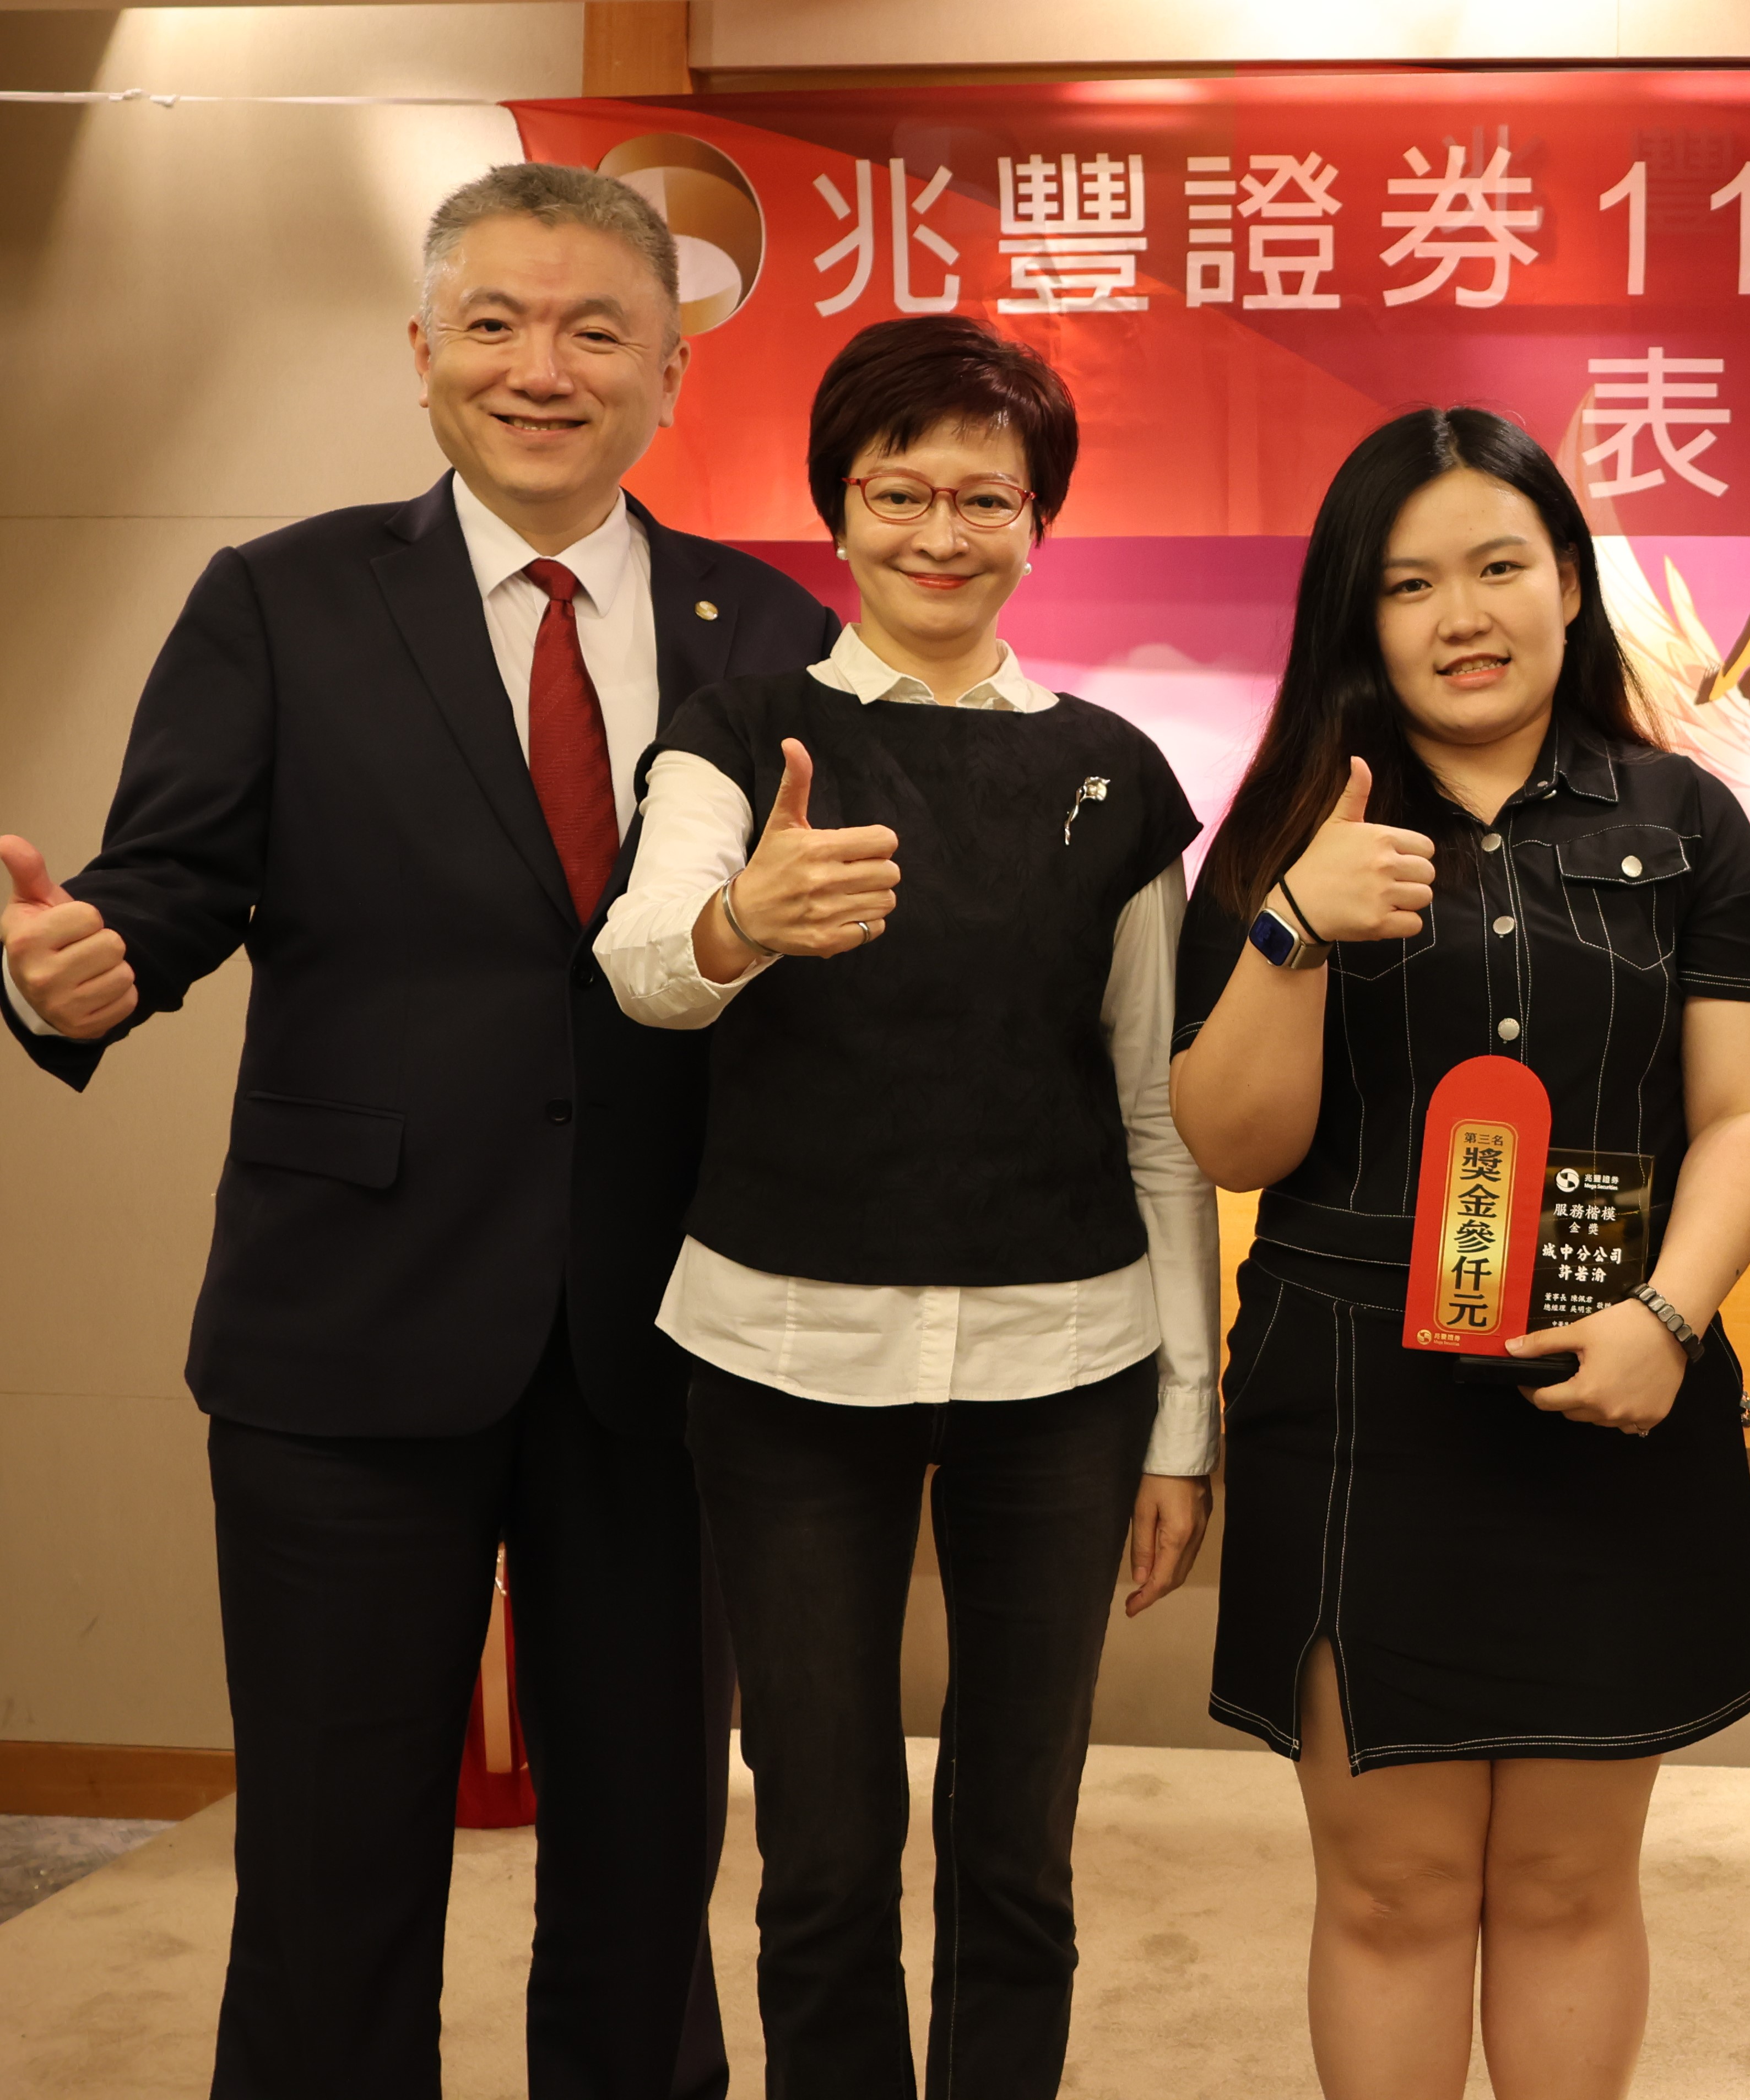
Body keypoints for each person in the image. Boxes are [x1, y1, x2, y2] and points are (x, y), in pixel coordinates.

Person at [0, 165, 830, 2099]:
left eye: (597, 329)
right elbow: (162, 885)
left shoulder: (771, 624)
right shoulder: (281, 598)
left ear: (672, 371)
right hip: (348, 1328)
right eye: (497, 323)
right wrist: (76, 973)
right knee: (331, 1861)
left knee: (648, 1858)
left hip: (668, 1339)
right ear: (425, 352)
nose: (544, 367)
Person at [589, 313, 1214, 2100]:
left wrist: (1185, 1416)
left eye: (985, 498)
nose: (943, 532)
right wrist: (743, 922)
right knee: (823, 1848)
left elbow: (1157, 1111)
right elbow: (642, 962)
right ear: (839, 510)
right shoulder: (740, 731)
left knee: (1018, 1848)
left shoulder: (1115, 772)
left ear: (1040, 520)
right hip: (783, 1357)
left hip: (1066, 1363)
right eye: (900, 492)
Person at [1169, 405, 1750, 2100]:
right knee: (1393, 1886)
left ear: (1571, 585)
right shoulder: (1291, 826)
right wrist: (1293, 929)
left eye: (1501, 566)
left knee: (1570, 1879)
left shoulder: (1686, 819)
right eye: (1410, 582)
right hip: (1357, 1399)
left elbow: (1749, 1111)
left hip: (1617, 1380)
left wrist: (1670, 1314)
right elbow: (1234, 1143)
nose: (1464, 614)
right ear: (1357, 615)